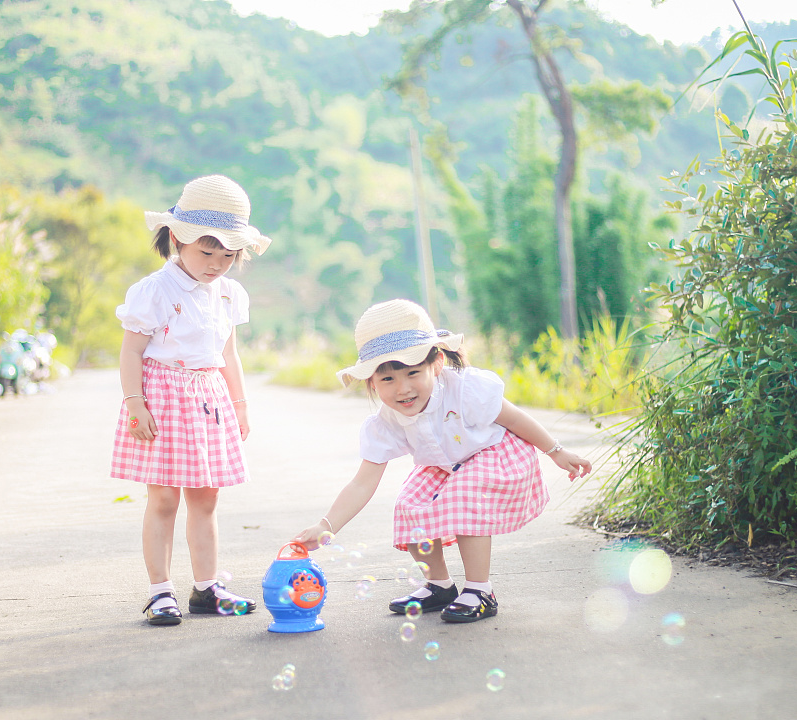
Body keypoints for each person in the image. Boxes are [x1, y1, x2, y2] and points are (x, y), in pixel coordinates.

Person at [294, 299, 592, 623]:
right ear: (371, 382)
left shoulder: (464, 388)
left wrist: (556, 451)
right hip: (443, 466)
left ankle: (481, 590)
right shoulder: (386, 422)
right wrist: (327, 526)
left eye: (413, 373)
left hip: (492, 451)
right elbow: (362, 482)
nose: (403, 389)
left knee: (464, 494)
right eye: (388, 380)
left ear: (435, 363)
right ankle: (439, 585)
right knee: (408, 506)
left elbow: (515, 419)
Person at [113, 175, 272, 626]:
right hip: (162, 395)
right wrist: (134, 403)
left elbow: (228, 354)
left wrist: (240, 405)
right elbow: (131, 351)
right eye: (207, 251)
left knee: (206, 499)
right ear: (177, 237)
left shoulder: (227, 293)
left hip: (210, 398)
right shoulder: (154, 291)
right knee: (163, 499)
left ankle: (207, 588)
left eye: (228, 255)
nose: (216, 264)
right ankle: (160, 591)